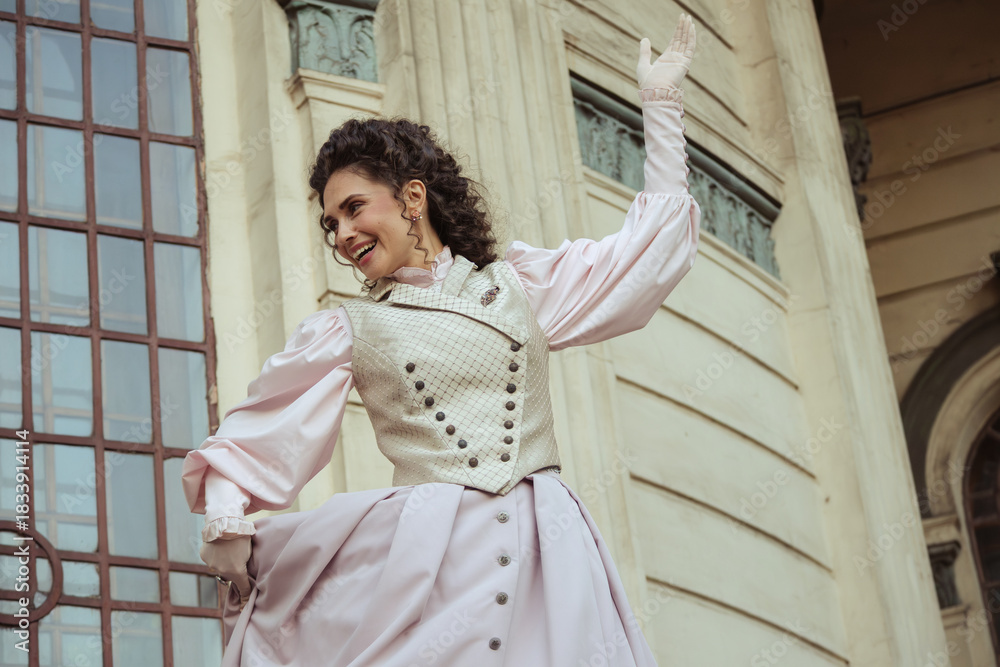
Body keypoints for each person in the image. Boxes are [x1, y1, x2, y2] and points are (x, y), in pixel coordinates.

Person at [182, 13, 699, 666]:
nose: (340, 233)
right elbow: (258, 436)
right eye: (328, 222)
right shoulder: (349, 329)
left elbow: (649, 256)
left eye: (353, 208)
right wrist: (226, 515)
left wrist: (661, 107)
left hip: (550, 554)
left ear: (411, 199)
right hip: (430, 562)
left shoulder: (524, 288)